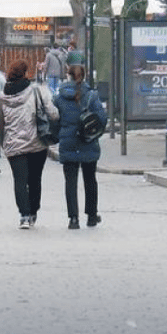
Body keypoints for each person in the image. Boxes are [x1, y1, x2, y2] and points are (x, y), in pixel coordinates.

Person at [0, 59, 58, 229]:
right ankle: (33, 211)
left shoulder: (3, 97)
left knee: (20, 180)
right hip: (37, 144)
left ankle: (23, 215)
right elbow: (53, 114)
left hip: (14, 146)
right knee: (35, 178)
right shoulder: (37, 91)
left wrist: (4, 144)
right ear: (25, 73)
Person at [56, 64, 107, 229]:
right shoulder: (92, 95)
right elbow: (102, 118)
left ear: (68, 76)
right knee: (90, 179)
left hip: (68, 141)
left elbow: (53, 118)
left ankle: (73, 218)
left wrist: (61, 133)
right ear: (84, 76)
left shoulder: (60, 96)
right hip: (88, 141)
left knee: (70, 181)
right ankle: (92, 215)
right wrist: (94, 133)